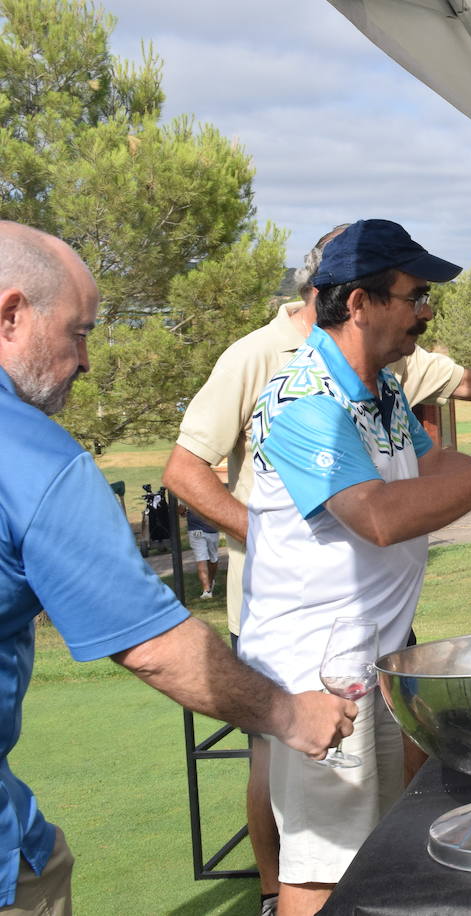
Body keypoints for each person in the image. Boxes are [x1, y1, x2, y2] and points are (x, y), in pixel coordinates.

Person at [161, 224, 471, 914]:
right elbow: (380, 516)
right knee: (322, 870)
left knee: (380, 843)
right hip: (318, 668)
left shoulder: (381, 389)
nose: (427, 311)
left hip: (371, 651)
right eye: (415, 295)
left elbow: (427, 467)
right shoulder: (306, 400)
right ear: (360, 302)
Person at [0, 221, 357, 915]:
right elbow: (152, 644)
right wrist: (290, 713)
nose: (87, 361)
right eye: (79, 332)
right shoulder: (35, 459)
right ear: (10, 314)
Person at [184, 505, 221, 598]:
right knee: (201, 559)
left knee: (213, 559)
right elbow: (181, 508)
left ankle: (210, 582)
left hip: (212, 529)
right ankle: (207, 590)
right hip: (195, 529)